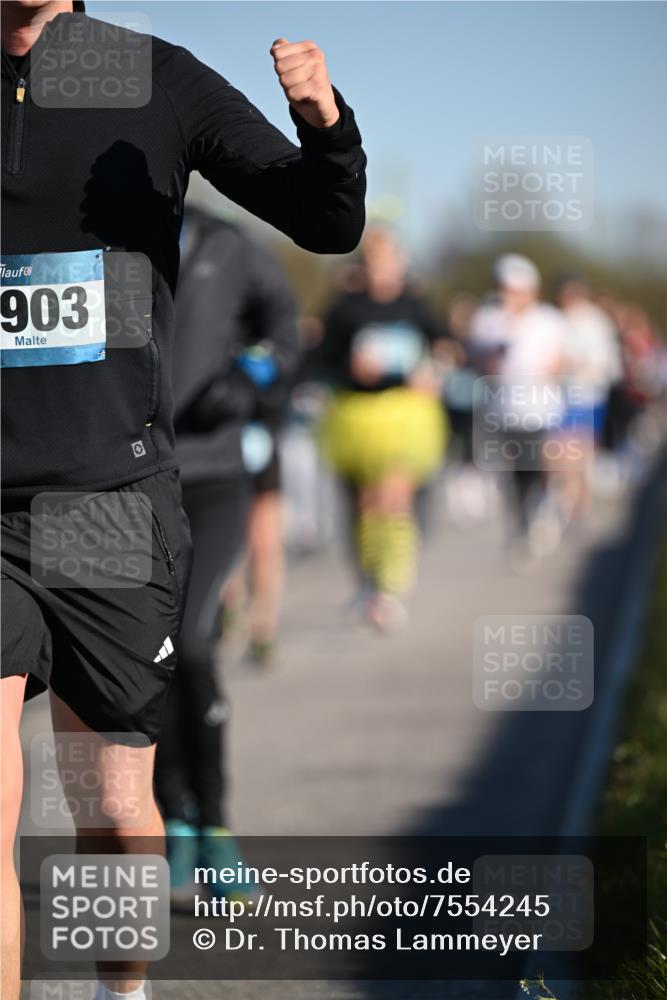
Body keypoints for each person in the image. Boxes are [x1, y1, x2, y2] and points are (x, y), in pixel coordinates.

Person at [0, 3, 366, 998]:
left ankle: (122, 988)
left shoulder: (152, 77)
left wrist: (325, 123)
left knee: (113, 809)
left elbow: (327, 221)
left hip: (107, 501)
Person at [153, 204, 301, 891]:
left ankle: (214, 827)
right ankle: (173, 817)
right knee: (138, 661)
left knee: (193, 641)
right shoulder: (93, 237)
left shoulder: (227, 244)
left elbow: (283, 328)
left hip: (212, 476)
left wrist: (252, 376)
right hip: (125, 484)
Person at [313, 228, 448, 630]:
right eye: (374, 261)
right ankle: (370, 580)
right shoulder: (346, 308)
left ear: (400, 263)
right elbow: (320, 358)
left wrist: (434, 371)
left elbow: (446, 343)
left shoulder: (416, 304)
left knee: (395, 497)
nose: (381, 269)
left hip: (406, 416)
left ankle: (392, 585)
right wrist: (349, 371)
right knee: (365, 503)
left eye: (388, 260)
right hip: (358, 415)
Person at [470, 255, 569, 564]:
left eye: (515, 289)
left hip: (541, 409)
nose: (509, 295)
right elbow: (478, 360)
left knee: (540, 466)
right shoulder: (488, 320)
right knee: (516, 473)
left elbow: (561, 360)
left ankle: (545, 509)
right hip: (504, 408)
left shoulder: (549, 319)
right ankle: (522, 526)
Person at [555, 276, 623, 519]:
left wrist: (579, 366)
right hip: (563, 396)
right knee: (563, 447)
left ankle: (577, 496)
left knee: (577, 448)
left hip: (588, 395)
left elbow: (606, 364)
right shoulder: (560, 320)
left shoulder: (596, 322)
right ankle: (571, 493)